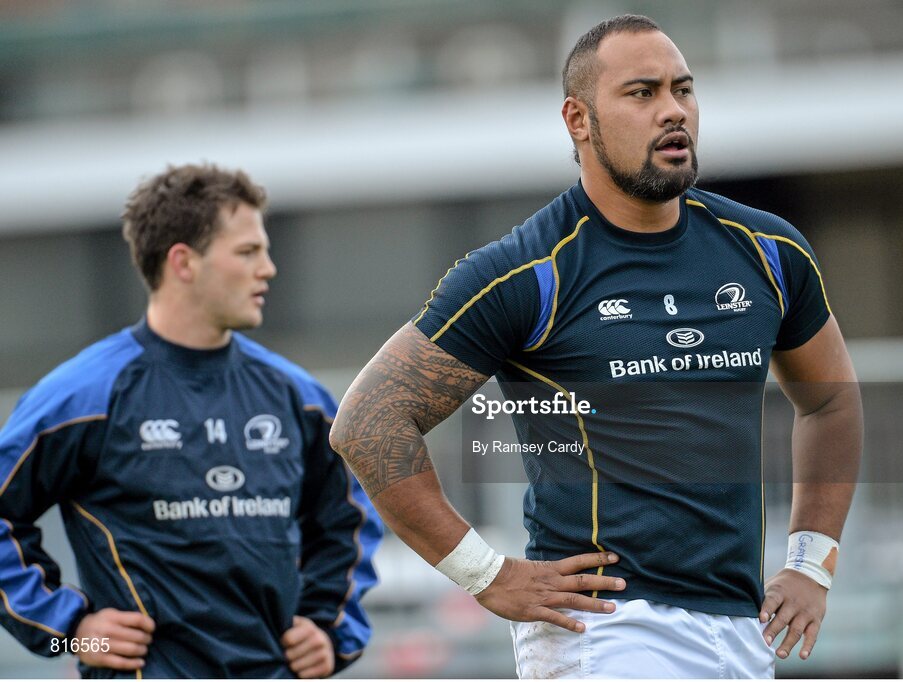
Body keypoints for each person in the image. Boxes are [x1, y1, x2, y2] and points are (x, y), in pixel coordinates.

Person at [331, 14, 862, 679]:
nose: (673, 111)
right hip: (606, 633)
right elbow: (368, 422)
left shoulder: (768, 251)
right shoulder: (526, 273)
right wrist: (484, 574)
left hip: (742, 628)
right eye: (642, 93)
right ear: (578, 120)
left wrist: (812, 566)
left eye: (683, 89)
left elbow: (830, 404)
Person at [0, 164, 382, 678]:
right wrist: (68, 628)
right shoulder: (82, 396)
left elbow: (350, 521)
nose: (268, 269)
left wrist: (329, 629)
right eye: (247, 252)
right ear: (183, 262)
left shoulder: (300, 398)